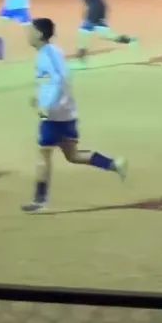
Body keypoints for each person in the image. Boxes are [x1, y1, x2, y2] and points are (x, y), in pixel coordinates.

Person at [24, 17, 127, 212]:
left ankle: (39, 200)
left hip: (54, 115)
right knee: (72, 155)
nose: (27, 34)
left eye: (31, 30)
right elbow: (52, 81)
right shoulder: (51, 52)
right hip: (65, 113)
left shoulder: (47, 54)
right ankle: (113, 164)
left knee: (43, 153)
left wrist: (46, 105)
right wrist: (40, 97)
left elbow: (59, 80)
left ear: (40, 34)